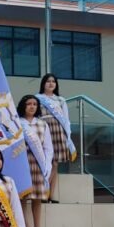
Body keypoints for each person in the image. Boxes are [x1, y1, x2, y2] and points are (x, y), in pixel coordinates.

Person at [17, 95, 54, 227]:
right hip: (22, 164)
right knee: (23, 197)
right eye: (28, 104)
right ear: (23, 106)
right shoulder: (17, 123)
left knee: (37, 198)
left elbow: (48, 147)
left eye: (34, 104)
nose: (32, 106)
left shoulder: (43, 124)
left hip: (38, 164)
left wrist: (47, 165)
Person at [36, 73, 75, 203]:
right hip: (44, 130)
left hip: (58, 132)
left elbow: (66, 119)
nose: (51, 83)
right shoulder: (37, 98)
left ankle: (50, 194)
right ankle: (44, 192)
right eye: (48, 81)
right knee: (45, 162)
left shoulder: (61, 100)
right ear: (43, 84)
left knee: (55, 164)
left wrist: (67, 136)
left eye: (53, 81)